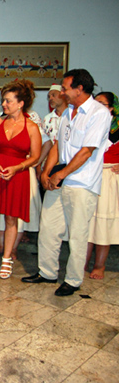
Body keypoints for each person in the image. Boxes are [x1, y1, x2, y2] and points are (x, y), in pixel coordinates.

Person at [22, 69, 112, 296]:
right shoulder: (67, 112)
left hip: (82, 183)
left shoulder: (98, 113)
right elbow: (58, 146)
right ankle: (47, 272)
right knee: (49, 228)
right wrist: (47, 171)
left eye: (65, 88)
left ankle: (72, 280)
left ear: (79, 89)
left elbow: (86, 151)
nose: (61, 92)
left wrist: (59, 175)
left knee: (78, 234)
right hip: (58, 181)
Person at [0, 80, 42, 278]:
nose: (3, 104)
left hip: (18, 174)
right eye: (3, 100)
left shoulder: (31, 127)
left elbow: (35, 156)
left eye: (7, 101)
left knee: (11, 218)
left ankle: (6, 258)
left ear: (20, 103)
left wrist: (17, 167)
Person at [85, 91, 119, 279]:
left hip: (108, 178)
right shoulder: (90, 123)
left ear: (112, 108)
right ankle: (83, 260)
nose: (97, 106)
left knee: (102, 223)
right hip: (90, 175)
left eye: (102, 103)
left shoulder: (117, 129)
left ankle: (100, 265)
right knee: (87, 221)